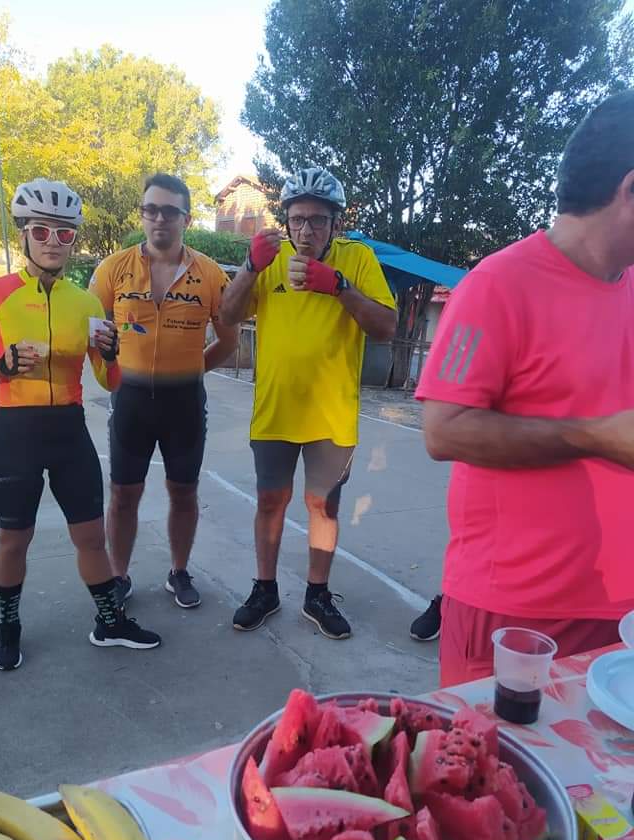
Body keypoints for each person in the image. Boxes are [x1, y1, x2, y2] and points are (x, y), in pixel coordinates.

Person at [416, 91, 634, 687]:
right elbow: (443, 429)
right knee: (489, 777)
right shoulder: (497, 285)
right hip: (514, 616)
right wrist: (594, 437)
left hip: (620, 614)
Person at [0, 177, 162, 671]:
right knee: (13, 539)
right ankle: (8, 623)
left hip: (69, 431)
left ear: (74, 240)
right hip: (14, 433)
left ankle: (109, 623)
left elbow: (108, 382)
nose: (52, 242)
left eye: (64, 234)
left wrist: (112, 355)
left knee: (91, 537)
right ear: (23, 233)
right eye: (42, 231)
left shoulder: (86, 304)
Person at [220, 167, 398, 639]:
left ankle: (317, 594)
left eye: (318, 220)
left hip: (330, 414)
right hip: (275, 408)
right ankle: (265, 589)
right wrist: (249, 267)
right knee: (269, 502)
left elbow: (385, 327)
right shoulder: (270, 256)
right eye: (297, 219)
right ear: (286, 220)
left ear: (335, 224)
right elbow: (227, 314)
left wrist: (338, 286)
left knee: (323, 507)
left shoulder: (357, 259)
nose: (306, 230)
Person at [89, 173, 237, 609]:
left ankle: (178, 571)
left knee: (184, 491)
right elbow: (91, 333)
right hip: (130, 400)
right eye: (150, 210)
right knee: (123, 493)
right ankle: (118, 576)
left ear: (186, 218)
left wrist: (191, 371)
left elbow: (228, 342)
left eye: (169, 211)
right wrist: (109, 373)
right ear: (142, 214)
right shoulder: (112, 269)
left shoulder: (209, 274)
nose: (159, 219)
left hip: (184, 403)